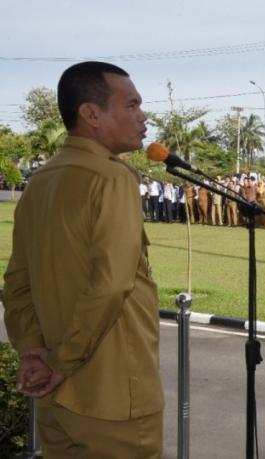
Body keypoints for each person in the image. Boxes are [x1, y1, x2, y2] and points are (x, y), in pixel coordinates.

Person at [3, 62, 163, 457]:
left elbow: (16, 284)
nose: (143, 117)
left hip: (56, 396)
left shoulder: (40, 182)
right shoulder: (111, 178)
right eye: (132, 105)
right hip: (112, 395)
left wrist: (33, 352)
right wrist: (61, 361)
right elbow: (112, 284)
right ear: (91, 114)